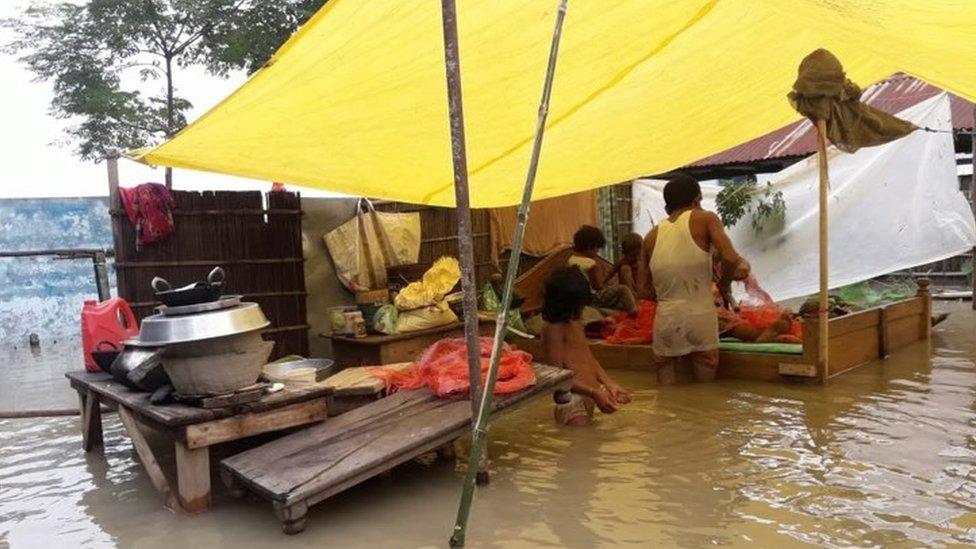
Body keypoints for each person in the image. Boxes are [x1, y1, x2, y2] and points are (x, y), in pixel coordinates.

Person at [637, 174, 751, 384]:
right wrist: (723, 284)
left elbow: (642, 290)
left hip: (666, 319)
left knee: (667, 394)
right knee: (705, 393)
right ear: (697, 199)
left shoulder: (650, 236)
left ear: (667, 206)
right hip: (701, 314)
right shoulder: (706, 218)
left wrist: (670, 298)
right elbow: (731, 258)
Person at [541, 267, 632, 425]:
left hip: (589, 396)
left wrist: (610, 384)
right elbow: (556, 379)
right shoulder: (553, 329)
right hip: (572, 401)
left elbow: (589, 359)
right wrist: (594, 392)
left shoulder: (574, 323)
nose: (583, 308)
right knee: (583, 447)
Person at [567, 225, 637, 313]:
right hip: (593, 298)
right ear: (590, 247)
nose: (597, 252)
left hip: (580, 297)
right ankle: (634, 311)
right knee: (623, 289)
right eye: (597, 248)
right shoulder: (591, 263)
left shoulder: (571, 260)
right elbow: (598, 286)